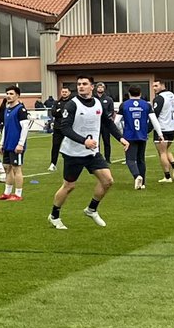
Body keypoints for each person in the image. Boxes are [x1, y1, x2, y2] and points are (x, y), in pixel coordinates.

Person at [47, 76, 128, 230]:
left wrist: (121, 138)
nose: (81, 87)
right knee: (69, 186)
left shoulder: (97, 103)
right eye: (78, 84)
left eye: (84, 84)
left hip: (92, 153)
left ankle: (91, 209)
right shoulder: (72, 105)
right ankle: (54, 216)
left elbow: (107, 122)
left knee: (108, 181)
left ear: (92, 87)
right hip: (73, 153)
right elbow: (65, 128)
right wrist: (84, 141)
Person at [117, 86, 160, 190]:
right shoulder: (146, 105)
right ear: (140, 93)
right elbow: (154, 121)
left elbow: (116, 122)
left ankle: (137, 176)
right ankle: (143, 183)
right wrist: (160, 133)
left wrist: (121, 132)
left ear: (129, 93)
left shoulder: (124, 105)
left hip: (129, 136)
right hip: (142, 135)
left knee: (130, 160)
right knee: (141, 159)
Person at [0, 86, 30, 201]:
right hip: (7, 144)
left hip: (16, 145)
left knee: (16, 168)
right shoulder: (7, 109)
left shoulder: (20, 109)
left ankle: (18, 194)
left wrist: (20, 144)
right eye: (7, 93)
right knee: (7, 168)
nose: (8, 95)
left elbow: (25, 127)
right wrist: (1, 143)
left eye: (11, 93)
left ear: (17, 95)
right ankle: (7, 193)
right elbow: (6, 127)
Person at [151, 80, 174, 182]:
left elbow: (155, 115)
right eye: (153, 86)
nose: (154, 88)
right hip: (173, 127)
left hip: (162, 128)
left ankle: (167, 177)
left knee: (162, 152)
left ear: (162, 85)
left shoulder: (159, 98)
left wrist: (148, 128)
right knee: (166, 149)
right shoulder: (172, 95)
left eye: (156, 86)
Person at [48, 86, 72, 170]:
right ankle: (53, 163)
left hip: (69, 128)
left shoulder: (72, 102)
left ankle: (72, 163)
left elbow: (70, 113)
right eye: (63, 92)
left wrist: (60, 111)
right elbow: (54, 113)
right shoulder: (56, 102)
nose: (64, 93)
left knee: (70, 146)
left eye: (66, 92)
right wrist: (61, 112)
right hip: (58, 128)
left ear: (69, 93)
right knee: (55, 146)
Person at [94, 82, 116, 161]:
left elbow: (111, 111)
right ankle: (97, 158)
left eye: (102, 87)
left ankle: (107, 158)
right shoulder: (93, 98)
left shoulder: (108, 99)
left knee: (106, 141)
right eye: (99, 87)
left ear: (104, 89)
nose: (100, 89)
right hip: (96, 123)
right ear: (96, 88)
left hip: (106, 124)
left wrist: (107, 115)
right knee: (96, 142)